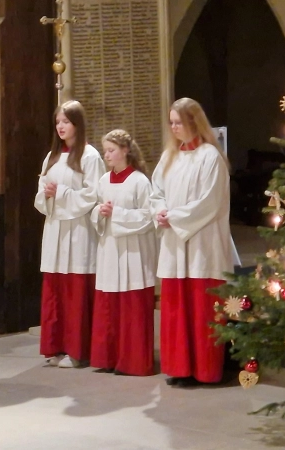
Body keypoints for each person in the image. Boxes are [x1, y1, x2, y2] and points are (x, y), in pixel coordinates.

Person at [150, 97, 237, 387]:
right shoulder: (169, 157)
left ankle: (205, 370)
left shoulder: (210, 156)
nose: (174, 128)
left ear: (194, 123)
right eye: (171, 122)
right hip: (176, 244)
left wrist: (173, 216)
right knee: (176, 308)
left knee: (201, 308)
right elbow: (156, 191)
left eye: (179, 122)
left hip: (203, 244)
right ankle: (179, 367)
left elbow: (209, 203)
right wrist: (159, 211)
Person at [35, 100, 105, 368]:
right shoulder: (51, 156)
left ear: (78, 123)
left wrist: (61, 193)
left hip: (78, 230)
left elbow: (93, 194)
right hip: (55, 228)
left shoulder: (89, 155)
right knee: (56, 289)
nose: (61, 127)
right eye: (58, 122)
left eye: (66, 121)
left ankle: (77, 351)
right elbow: (41, 191)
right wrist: (47, 195)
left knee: (76, 290)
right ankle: (56, 346)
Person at [89, 130, 157, 376]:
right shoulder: (104, 180)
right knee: (110, 306)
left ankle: (133, 361)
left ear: (126, 150)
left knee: (131, 306)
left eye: (111, 150)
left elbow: (148, 217)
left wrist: (116, 214)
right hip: (109, 249)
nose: (106, 155)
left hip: (133, 252)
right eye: (105, 150)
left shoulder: (139, 181)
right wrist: (100, 212)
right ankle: (110, 357)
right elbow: (95, 210)